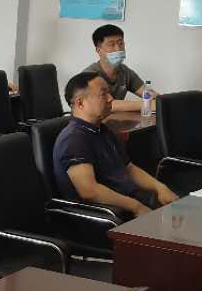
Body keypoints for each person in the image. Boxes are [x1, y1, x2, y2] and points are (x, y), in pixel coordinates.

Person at [53, 72, 176, 216]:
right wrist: (136, 207)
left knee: (181, 212)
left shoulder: (103, 130)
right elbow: (89, 191)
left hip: (130, 200)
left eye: (109, 92)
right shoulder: (73, 139)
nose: (111, 98)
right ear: (80, 103)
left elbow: (129, 169)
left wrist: (159, 187)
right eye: (103, 94)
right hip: (108, 214)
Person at [83, 25, 149, 111]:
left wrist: (160, 100)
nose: (118, 49)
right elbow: (108, 104)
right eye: (111, 44)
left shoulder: (125, 71)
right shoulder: (89, 75)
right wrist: (148, 104)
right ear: (99, 50)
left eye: (121, 43)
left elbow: (148, 94)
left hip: (114, 118)